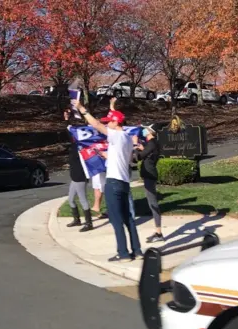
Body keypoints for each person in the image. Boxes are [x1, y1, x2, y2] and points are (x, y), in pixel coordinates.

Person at [73, 99, 143, 262]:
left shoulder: (115, 134)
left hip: (113, 182)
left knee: (115, 218)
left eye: (109, 122)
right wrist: (107, 156)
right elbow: (121, 157)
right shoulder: (126, 137)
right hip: (125, 183)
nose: (107, 125)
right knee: (129, 219)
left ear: (115, 122)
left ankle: (123, 253)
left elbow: (96, 124)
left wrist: (82, 108)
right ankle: (137, 251)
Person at [64, 109, 93, 232]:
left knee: (83, 199)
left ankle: (89, 223)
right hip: (74, 176)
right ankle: (77, 219)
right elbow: (69, 132)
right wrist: (67, 119)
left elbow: (71, 132)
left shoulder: (82, 147)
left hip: (80, 176)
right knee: (71, 199)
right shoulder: (74, 145)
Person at [134, 124, 163, 242]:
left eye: (146, 130)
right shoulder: (152, 144)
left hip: (150, 176)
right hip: (149, 175)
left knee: (153, 204)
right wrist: (141, 147)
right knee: (152, 203)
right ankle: (158, 231)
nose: (144, 131)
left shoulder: (151, 144)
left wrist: (135, 145)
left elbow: (139, 157)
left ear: (150, 132)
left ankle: (159, 233)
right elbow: (147, 151)